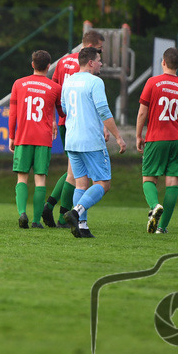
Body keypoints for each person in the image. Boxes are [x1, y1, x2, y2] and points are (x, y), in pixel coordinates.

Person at [59, 47, 128, 238]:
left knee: (81, 183)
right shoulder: (95, 82)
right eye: (99, 60)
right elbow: (104, 111)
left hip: (72, 140)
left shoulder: (69, 81)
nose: (101, 64)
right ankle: (76, 212)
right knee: (104, 183)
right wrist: (118, 137)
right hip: (90, 140)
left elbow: (64, 109)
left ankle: (82, 227)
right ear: (90, 62)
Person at [44, 30, 105, 227]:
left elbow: (54, 90)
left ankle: (53, 207)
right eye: (99, 50)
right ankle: (64, 214)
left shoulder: (63, 62)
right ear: (90, 48)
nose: (100, 54)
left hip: (66, 120)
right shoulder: (87, 67)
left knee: (73, 170)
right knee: (76, 174)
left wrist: (56, 117)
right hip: (81, 124)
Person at [135, 47, 178, 234]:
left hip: (156, 138)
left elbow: (142, 112)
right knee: (172, 182)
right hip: (177, 139)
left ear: (163, 62)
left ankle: (154, 206)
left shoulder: (152, 83)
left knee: (149, 178)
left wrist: (138, 135)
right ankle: (162, 227)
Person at [8, 50, 63, 229]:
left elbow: (13, 114)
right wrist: (55, 120)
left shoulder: (19, 83)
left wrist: (11, 136)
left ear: (32, 64)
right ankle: (36, 221)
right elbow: (62, 112)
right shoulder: (55, 88)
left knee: (22, 178)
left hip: (23, 137)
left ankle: (22, 212)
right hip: (43, 139)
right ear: (49, 66)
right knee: (40, 179)